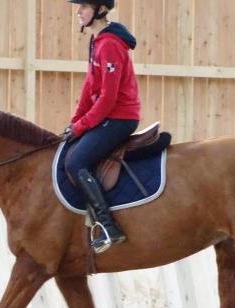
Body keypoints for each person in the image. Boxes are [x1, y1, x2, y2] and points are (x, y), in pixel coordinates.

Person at [63, 0, 141, 254]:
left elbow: (108, 98)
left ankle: (108, 226)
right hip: (107, 115)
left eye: (84, 7)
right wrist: (75, 123)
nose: (78, 12)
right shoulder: (96, 41)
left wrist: (82, 126)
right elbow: (90, 86)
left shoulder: (109, 45)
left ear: (101, 10)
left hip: (120, 117)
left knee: (76, 163)